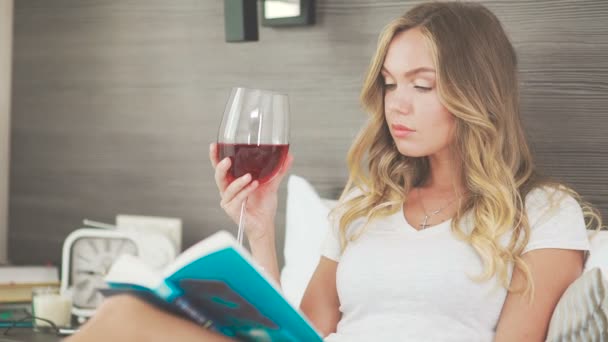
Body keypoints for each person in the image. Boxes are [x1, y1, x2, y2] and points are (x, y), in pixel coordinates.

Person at [66, 1, 603, 341]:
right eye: (391, 83)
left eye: (422, 83)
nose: (397, 104)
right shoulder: (366, 200)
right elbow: (295, 333)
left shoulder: (544, 211)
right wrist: (260, 227)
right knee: (124, 316)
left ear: (477, 92)